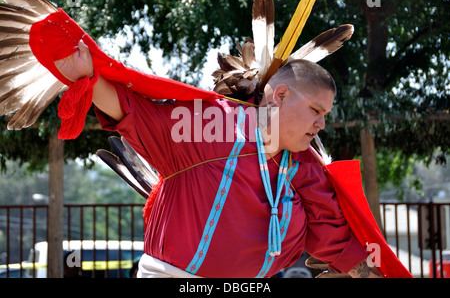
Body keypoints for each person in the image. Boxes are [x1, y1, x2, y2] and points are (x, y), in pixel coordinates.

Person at [54, 39, 384, 278]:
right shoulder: (208, 127)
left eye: (325, 114)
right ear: (279, 96)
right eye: (315, 110)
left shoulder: (306, 167)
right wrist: (86, 74)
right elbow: (133, 112)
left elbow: (335, 237)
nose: (322, 124)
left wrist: (372, 274)